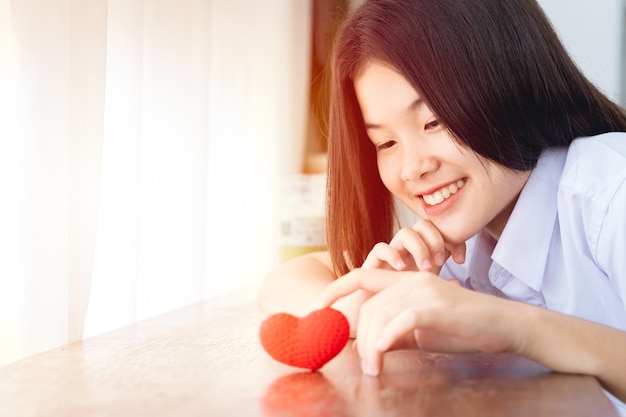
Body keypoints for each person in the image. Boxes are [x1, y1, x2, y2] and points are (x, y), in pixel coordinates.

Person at [258, 0, 626, 413]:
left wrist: (516, 328)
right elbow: (287, 280)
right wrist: (368, 306)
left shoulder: (610, 186)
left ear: (511, 82)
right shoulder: (458, 244)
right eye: (386, 143)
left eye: (433, 121)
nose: (413, 168)